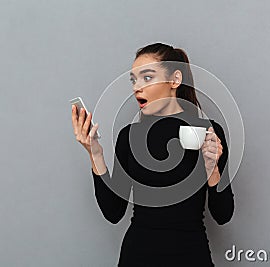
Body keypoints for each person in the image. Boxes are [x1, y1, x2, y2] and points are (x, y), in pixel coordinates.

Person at [71, 43, 234, 266]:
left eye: (147, 78)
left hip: (191, 256)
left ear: (175, 80)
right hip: (138, 256)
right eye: (133, 80)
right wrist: (95, 154)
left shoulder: (208, 133)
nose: (137, 87)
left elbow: (224, 214)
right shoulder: (130, 136)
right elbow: (113, 212)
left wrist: (212, 168)